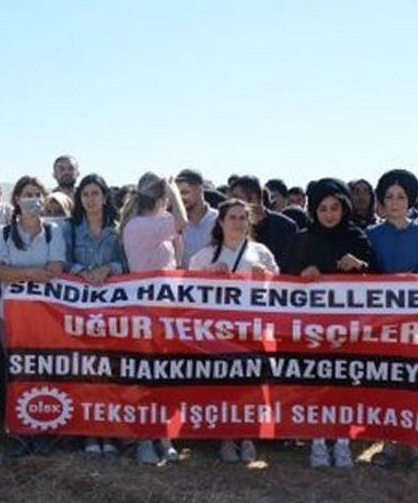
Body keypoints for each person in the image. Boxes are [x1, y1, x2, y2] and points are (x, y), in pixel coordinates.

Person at [283, 178, 374, 468]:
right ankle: (319, 441)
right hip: (312, 330)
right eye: (322, 208)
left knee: (345, 384)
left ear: (344, 207)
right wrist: (302, 272)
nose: (329, 214)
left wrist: (360, 266)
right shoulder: (302, 238)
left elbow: (381, 281)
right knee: (318, 384)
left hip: (349, 329)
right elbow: (283, 279)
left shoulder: (357, 237)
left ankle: (343, 441)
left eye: (335, 207)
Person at [188, 198, 278, 464]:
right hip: (218, 332)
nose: (238, 223)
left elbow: (281, 294)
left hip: (252, 330)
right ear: (221, 222)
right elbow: (187, 292)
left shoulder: (261, 253)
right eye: (232, 218)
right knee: (223, 383)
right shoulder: (204, 255)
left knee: (250, 383)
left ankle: (248, 436)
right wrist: (207, 274)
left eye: (242, 218)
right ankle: (226, 437)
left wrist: (267, 280)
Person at [0, 177, 65, 457]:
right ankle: (20, 433)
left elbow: (55, 268)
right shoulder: (5, 234)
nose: (32, 199)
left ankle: (43, 430)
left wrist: (19, 273)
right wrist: (34, 273)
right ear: (17, 199)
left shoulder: (53, 231)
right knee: (15, 374)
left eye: (37, 194)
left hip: (45, 317)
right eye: (27, 194)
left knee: (43, 372)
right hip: (9, 317)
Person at [365, 170, 418, 470]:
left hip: (415, 318)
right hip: (381, 320)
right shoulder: (371, 234)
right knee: (386, 380)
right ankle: (388, 444)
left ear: (411, 200)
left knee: (415, 380)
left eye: (401, 196)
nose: (395, 202)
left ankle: (416, 448)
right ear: (381, 201)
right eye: (389, 197)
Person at [121, 172, 185, 464]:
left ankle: (165, 437)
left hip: (166, 310)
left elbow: (177, 255)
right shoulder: (140, 225)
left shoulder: (156, 227)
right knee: (145, 377)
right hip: (146, 311)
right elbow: (181, 222)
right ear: (160, 198)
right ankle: (145, 439)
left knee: (164, 377)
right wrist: (173, 192)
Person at [64, 174, 127, 457]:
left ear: (104, 196)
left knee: (110, 370)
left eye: (95, 193)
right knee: (85, 369)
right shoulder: (69, 229)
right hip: (78, 310)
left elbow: (127, 265)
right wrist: (82, 272)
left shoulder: (118, 230)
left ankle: (110, 430)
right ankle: (89, 431)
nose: (90, 199)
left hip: (111, 311)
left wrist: (109, 268)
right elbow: (62, 262)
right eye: (85, 194)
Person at [227, 175, 299, 267]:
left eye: (236, 198)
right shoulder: (229, 226)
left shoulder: (286, 226)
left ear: (254, 198)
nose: (232, 203)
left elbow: (294, 263)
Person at [177, 169, 217, 267]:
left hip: (213, 281)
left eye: (185, 192)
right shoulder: (174, 222)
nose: (181, 198)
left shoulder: (219, 219)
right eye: (177, 194)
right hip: (181, 281)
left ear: (200, 189)